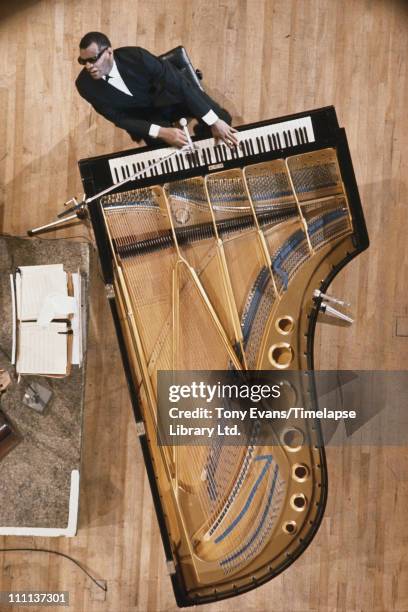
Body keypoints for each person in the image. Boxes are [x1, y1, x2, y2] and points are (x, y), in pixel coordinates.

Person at [75, 32, 238, 149]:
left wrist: (213, 122)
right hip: (144, 117)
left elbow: (180, 85)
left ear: (109, 52)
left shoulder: (137, 56)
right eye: (83, 61)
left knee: (222, 120)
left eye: (93, 60)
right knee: (166, 152)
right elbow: (120, 119)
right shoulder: (85, 85)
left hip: (169, 98)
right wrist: (162, 132)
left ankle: (203, 139)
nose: (88, 66)